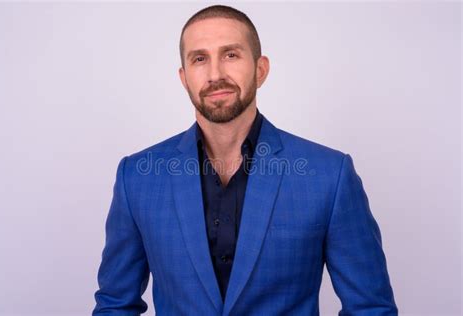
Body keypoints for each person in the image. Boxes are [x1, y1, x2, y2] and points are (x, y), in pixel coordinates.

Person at [93, 4, 397, 315]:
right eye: (200, 59)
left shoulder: (330, 175)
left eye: (231, 55)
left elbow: (370, 308)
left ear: (260, 69)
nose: (215, 75)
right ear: (184, 78)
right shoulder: (137, 178)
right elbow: (116, 305)